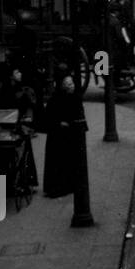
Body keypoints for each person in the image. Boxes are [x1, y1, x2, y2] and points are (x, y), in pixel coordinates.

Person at [42, 70, 87, 198]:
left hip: (70, 134)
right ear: (61, 85)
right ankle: (57, 187)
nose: (71, 86)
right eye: (67, 84)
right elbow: (49, 119)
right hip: (58, 136)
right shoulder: (55, 99)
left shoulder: (75, 98)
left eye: (71, 83)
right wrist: (59, 123)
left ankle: (68, 184)